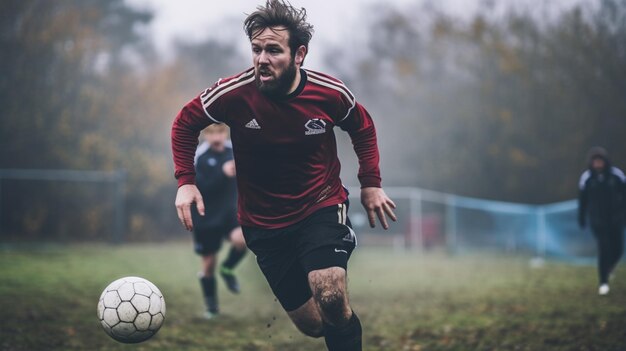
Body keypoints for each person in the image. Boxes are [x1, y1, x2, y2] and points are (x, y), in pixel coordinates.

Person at [171, 1, 396, 349]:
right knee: (314, 324)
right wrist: (186, 181)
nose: (262, 59)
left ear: (299, 54)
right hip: (263, 224)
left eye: (273, 50)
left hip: (320, 206)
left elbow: (362, 127)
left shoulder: (330, 93)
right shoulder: (233, 93)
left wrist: (371, 185)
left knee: (331, 295)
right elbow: (185, 123)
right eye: (257, 49)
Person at [192, 124, 247, 318]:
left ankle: (228, 268)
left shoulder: (235, 150)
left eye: (221, 132)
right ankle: (211, 307)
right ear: (205, 134)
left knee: (242, 239)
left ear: (226, 133)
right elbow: (200, 187)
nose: (217, 137)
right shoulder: (200, 156)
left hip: (230, 214)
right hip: (205, 216)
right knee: (208, 263)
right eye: (212, 133)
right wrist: (222, 173)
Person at [578, 146, 626, 295]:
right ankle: (603, 282)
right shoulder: (587, 179)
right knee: (604, 248)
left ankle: (610, 267)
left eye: (600, 161)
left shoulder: (616, 176)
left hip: (615, 220)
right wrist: (582, 217)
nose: (598, 164)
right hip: (597, 221)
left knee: (618, 249)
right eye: (595, 161)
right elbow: (583, 201)